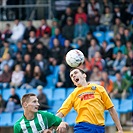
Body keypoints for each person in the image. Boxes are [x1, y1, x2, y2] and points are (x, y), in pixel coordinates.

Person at [56, 68, 123, 133]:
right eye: (71, 75)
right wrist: (61, 122)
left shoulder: (99, 88)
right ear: (74, 83)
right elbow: (60, 113)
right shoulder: (73, 94)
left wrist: (120, 129)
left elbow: (111, 109)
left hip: (99, 128)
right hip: (83, 127)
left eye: (76, 73)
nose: (73, 75)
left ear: (84, 75)